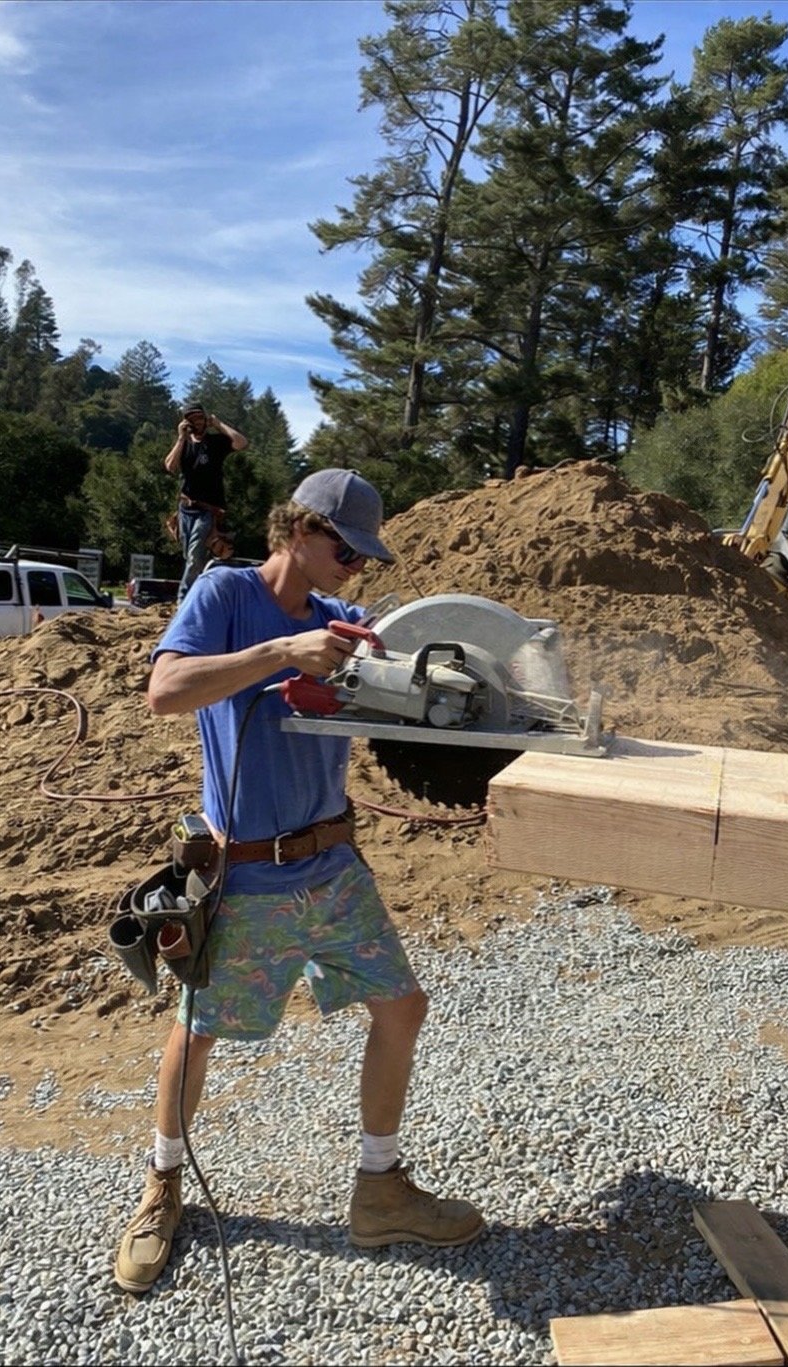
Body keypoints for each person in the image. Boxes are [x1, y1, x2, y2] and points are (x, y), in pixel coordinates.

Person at [114, 468, 484, 1294]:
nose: (355, 566)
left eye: (363, 557)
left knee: (403, 1005)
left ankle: (379, 1187)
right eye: (344, 548)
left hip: (332, 864)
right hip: (244, 874)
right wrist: (281, 652)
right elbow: (165, 691)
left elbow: (416, 663)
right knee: (197, 1027)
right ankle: (163, 1185)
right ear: (300, 529)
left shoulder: (343, 619)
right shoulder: (226, 594)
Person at [164, 403, 248, 603]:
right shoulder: (184, 444)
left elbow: (241, 443)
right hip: (185, 509)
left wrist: (218, 424)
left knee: (194, 555)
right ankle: (200, 594)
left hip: (208, 510)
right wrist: (180, 438)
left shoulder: (216, 443)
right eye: (192, 419)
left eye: (200, 418)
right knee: (190, 556)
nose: (197, 422)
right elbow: (170, 466)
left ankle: (183, 599)